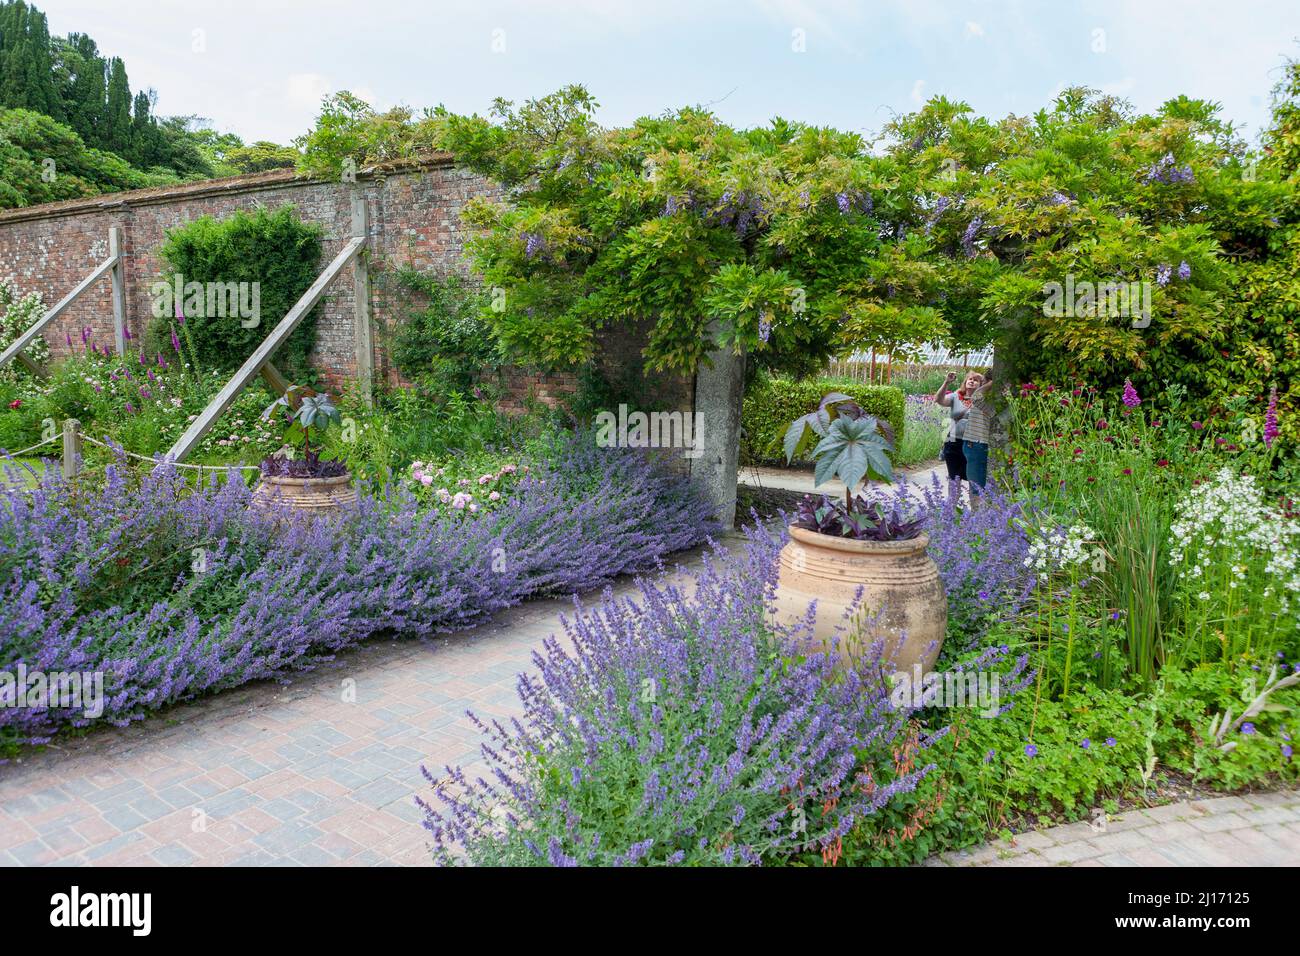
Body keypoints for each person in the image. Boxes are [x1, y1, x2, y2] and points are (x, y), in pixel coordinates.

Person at [932, 370, 982, 488]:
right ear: (965, 382)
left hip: (972, 443)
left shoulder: (982, 400)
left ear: (981, 385)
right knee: (954, 479)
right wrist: (946, 382)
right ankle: (952, 505)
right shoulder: (956, 396)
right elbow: (939, 399)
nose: (972, 381)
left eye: (976, 380)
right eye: (970, 379)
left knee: (972, 479)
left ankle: (975, 505)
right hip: (953, 442)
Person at [960, 372, 997, 497]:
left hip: (976, 445)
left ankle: (977, 515)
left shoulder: (989, 402)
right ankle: (975, 515)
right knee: (976, 488)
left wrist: (991, 382)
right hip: (974, 445)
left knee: (977, 489)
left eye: (984, 382)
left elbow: (976, 396)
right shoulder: (984, 399)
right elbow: (975, 396)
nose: (981, 385)